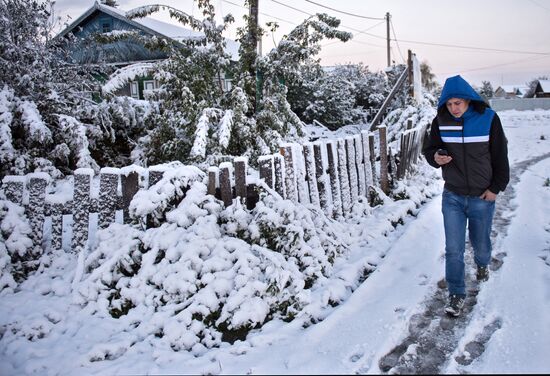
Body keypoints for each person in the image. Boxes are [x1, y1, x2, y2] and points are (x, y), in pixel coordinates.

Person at [422, 75, 510, 317]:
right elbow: (430, 149)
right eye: (449, 104)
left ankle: (482, 265)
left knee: (481, 245)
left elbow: (501, 156)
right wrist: (436, 157)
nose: (454, 108)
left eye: (458, 103)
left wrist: (495, 188)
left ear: (469, 100)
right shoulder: (441, 121)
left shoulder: (488, 119)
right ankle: (456, 294)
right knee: (453, 248)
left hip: (482, 196)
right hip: (453, 195)